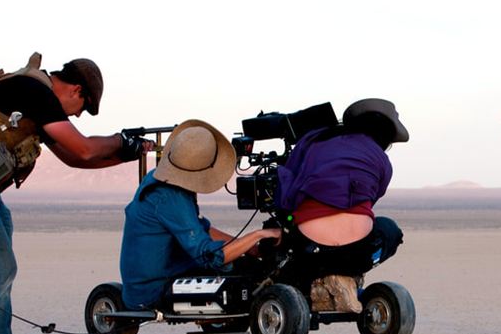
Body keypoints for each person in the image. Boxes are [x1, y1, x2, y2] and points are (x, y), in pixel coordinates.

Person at [0, 53, 152, 334]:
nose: (77, 115)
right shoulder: (36, 92)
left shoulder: (34, 98)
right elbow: (81, 147)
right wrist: (120, 141)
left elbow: (75, 159)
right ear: (76, 90)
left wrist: (123, 154)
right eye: (82, 108)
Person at [119, 120, 281, 309]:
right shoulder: (170, 197)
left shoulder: (159, 179)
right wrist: (259, 235)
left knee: (240, 261)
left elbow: (201, 229)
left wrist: (250, 248)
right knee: (238, 271)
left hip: (143, 283)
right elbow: (210, 256)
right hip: (151, 291)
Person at [275, 98, 408, 312]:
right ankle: (346, 277)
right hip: (357, 252)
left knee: (287, 242)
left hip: (311, 249)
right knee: (390, 231)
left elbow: (287, 191)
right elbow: (369, 201)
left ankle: (319, 282)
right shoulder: (382, 161)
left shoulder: (313, 142)